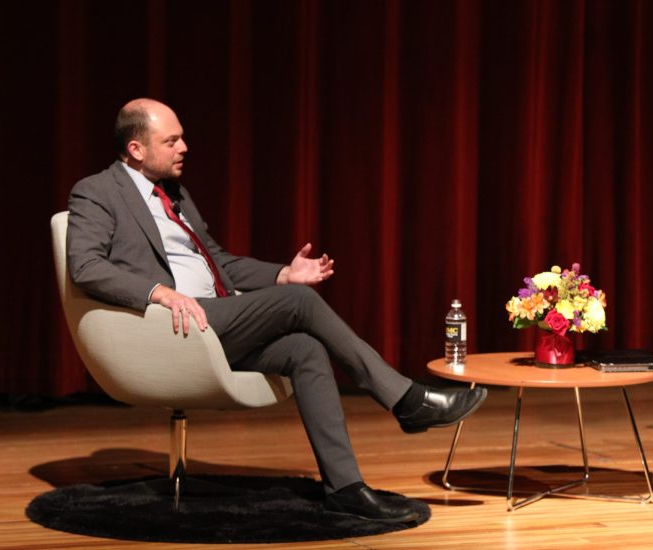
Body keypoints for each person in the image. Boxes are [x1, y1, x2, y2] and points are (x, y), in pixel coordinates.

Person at [67, 98, 487, 523]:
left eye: (182, 138)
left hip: (218, 320)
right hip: (170, 327)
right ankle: (405, 400)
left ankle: (345, 487)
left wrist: (283, 273)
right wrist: (159, 292)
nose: (184, 148)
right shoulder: (97, 191)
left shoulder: (175, 193)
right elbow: (86, 266)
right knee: (300, 304)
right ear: (136, 148)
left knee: (304, 349)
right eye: (171, 140)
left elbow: (219, 261)